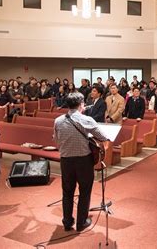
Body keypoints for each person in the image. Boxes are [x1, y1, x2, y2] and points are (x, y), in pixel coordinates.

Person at [54, 92, 108, 232]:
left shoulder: (58, 120)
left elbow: (56, 139)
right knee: (84, 191)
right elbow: (102, 137)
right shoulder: (86, 119)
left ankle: (67, 222)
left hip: (65, 160)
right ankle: (81, 222)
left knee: (67, 192)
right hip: (83, 160)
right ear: (81, 104)